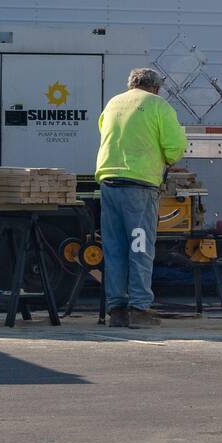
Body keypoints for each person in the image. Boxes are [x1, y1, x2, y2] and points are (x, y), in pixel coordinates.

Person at [95, 67, 188, 327]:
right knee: (140, 248)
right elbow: (175, 147)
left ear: (131, 84)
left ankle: (116, 310)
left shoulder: (113, 103)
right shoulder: (158, 105)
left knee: (114, 249)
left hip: (109, 183)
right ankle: (138, 308)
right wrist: (167, 159)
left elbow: (105, 131)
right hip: (139, 186)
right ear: (156, 88)